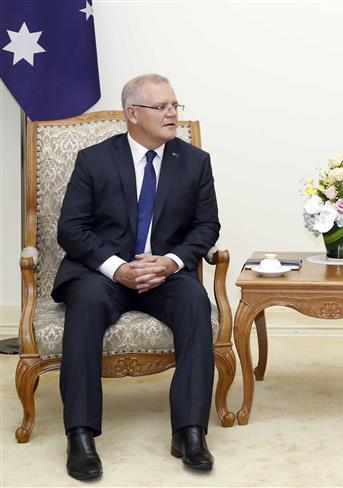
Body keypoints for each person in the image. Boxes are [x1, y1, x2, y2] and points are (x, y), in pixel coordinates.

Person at [52, 74, 220, 480]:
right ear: (132, 114)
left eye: (175, 106)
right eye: (162, 107)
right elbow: (71, 229)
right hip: (104, 271)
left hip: (164, 272)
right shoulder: (94, 160)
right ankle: (80, 435)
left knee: (196, 302)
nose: (172, 114)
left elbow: (206, 227)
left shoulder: (195, 161)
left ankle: (190, 432)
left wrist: (171, 262)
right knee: (87, 302)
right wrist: (117, 267)